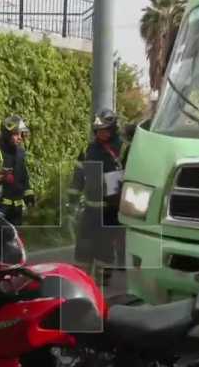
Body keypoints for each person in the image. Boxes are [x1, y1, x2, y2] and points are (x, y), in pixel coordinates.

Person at [70, 108, 126, 284]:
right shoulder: (88, 150)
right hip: (90, 209)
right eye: (99, 130)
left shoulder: (123, 148)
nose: (101, 133)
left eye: (105, 130)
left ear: (113, 129)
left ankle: (103, 281)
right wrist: (71, 202)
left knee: (105, 247)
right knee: (84, 246)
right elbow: (78, 176)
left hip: (111, 209)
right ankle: (82, 280)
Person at [0, 115, 35, 226]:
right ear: (7, 135)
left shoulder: (20, 153)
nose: (20, 137)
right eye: (16, 134)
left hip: (16, 210)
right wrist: (2, 177)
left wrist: (29, 195)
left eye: (21, 134)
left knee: (14, 241)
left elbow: (24, 177)